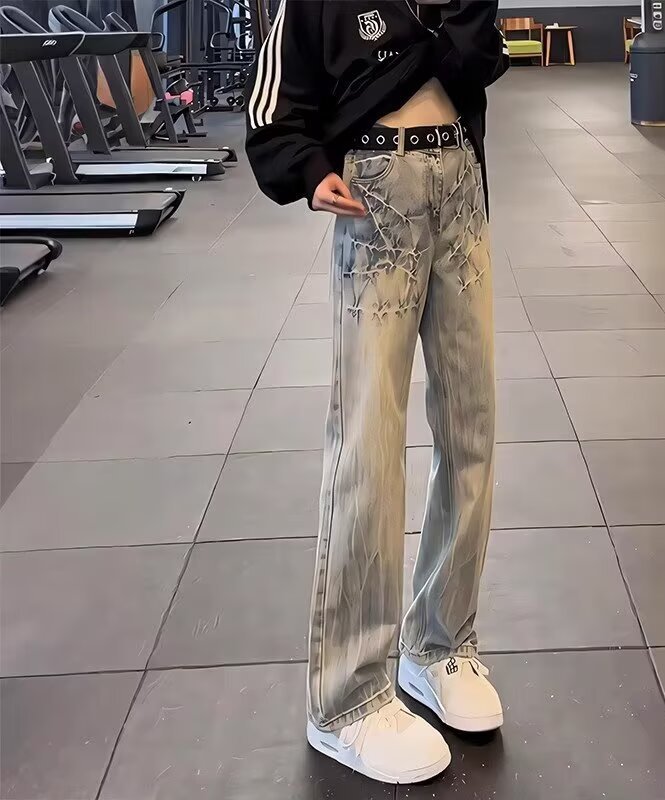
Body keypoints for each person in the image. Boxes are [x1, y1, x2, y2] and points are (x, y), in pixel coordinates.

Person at [246, 0, 509, 785]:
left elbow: (473, 63)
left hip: (459, 184)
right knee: (369, 437)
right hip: (376, 191)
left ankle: (442, 644)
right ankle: (348, 695)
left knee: (472, 424)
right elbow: (273, 105)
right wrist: (305, 168)